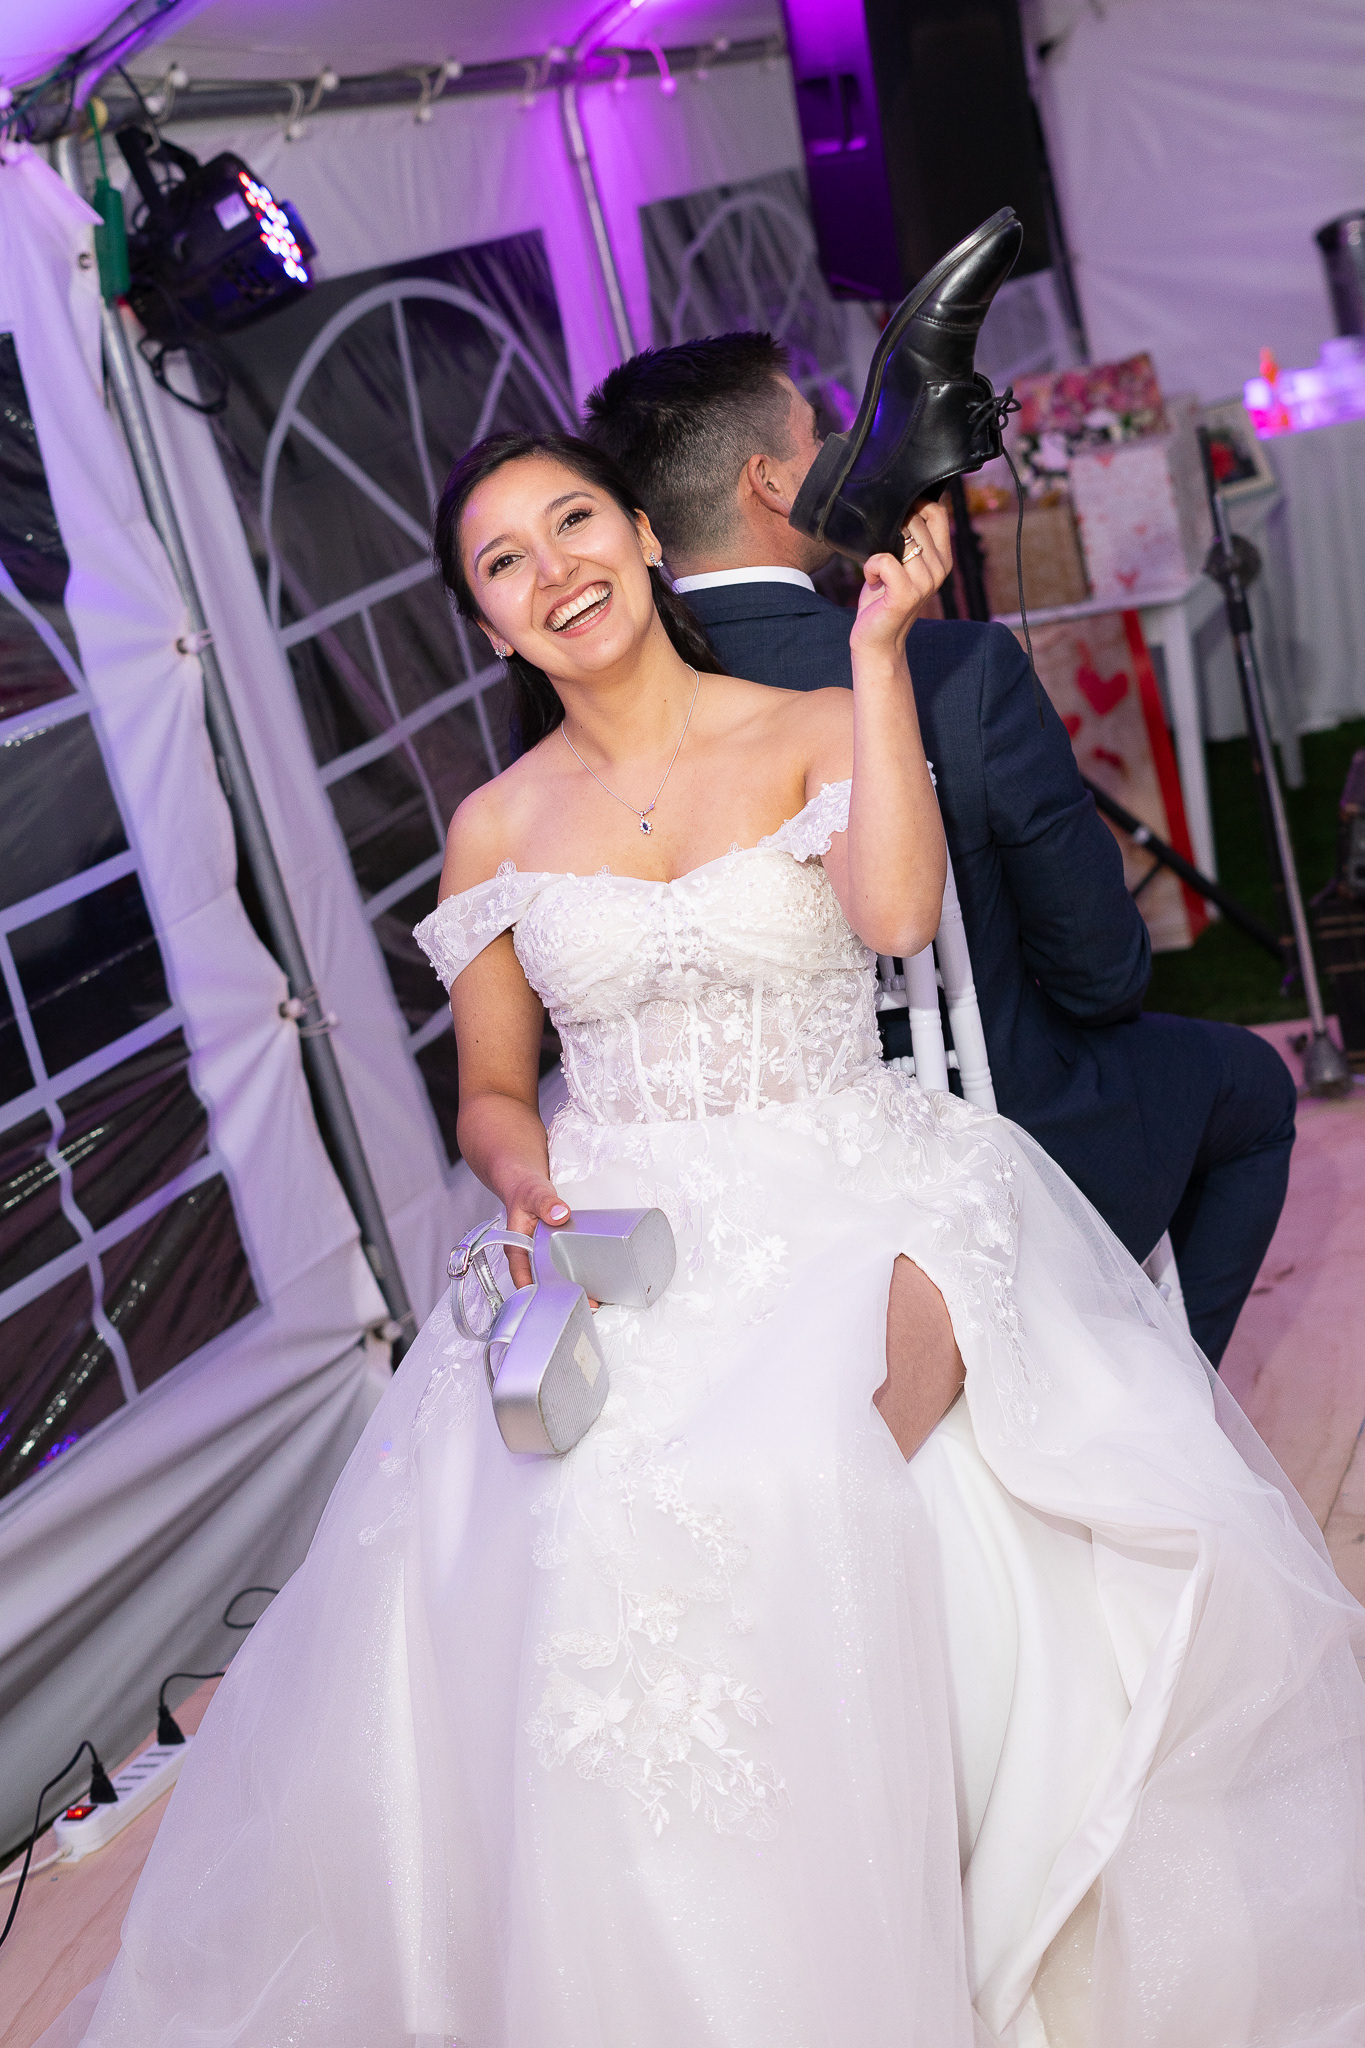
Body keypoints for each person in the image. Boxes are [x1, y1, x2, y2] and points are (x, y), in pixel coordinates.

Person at [59, 431, 1365, 2048]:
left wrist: (877, 657)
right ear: (490, 626)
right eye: (506, 562)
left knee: (794, 1461)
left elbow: (896, 918)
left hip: (853, 1176)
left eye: (574, 522)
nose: (556, 569)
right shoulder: (495, 825)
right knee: (555, 1500)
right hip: (613, 1219)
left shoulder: (814, 722)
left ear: (641, 535)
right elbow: (492, 1089)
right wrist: (520, 1172)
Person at [581, 334, 1296, 1369]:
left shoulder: (594, 738)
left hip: (728, 1199)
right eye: (819, 437)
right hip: (990, 1135)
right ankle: (1151, 1396)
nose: (840, 454)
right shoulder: (952, 668)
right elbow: (1103, 975)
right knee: (1254, 1090)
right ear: (771, 482)